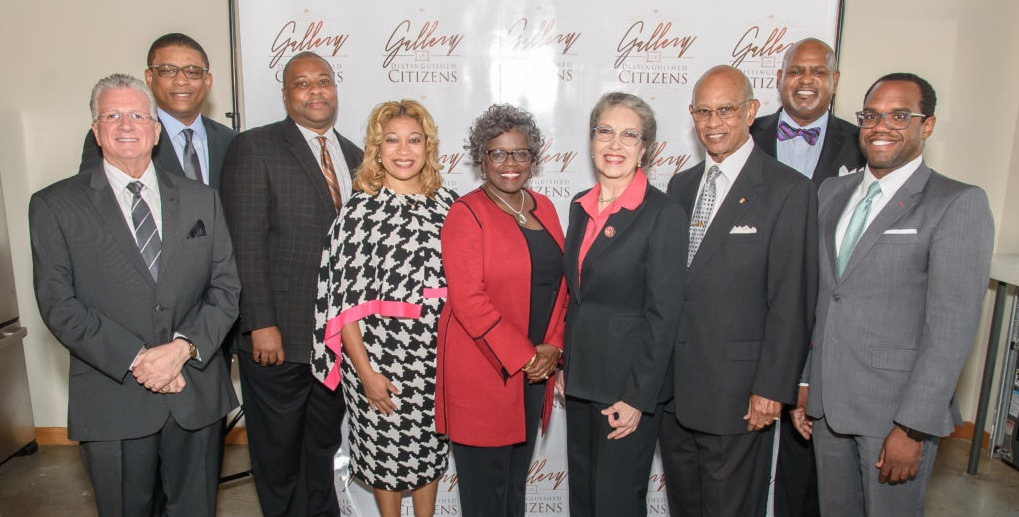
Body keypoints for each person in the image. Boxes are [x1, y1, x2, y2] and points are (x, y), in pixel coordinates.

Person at [30, 73, 239, 517]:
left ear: (156, 129)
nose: (126, 125)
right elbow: (59, 305)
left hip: (195, 392)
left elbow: (225, 288)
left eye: (138, 116)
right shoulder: (54, 205)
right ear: (96, 129)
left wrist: (181, 350)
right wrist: (140, 359)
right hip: (114, 397)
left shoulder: (202, 199)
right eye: (112, 115)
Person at [792, 73, 994, 517]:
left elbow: (951, 330)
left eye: (899, 116)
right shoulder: (831, 192)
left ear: (928, 125)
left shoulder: (956, 202)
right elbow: (822, 300)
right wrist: (807, 382)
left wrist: (913, 427)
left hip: (894, 414)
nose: (880, 126)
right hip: (827, 405)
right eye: (871, 115)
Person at [660, 65, 818, 517]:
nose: (713, 123)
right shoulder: (681, 185)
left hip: (740, 395)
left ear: (751, 112)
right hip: (673, 393)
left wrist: (771, 387)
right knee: (685, 507)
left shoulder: (789, 190)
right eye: (703, 112)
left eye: (726, 110)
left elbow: (792, 301)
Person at [220, 51, 362, 517]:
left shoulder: (357, 157)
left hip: (337, 340)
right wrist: (260, 322)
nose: (315, 90)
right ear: (285, 95)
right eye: (302, 83)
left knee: (320, 448)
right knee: (278, 454)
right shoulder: (254, 147)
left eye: (324, 81)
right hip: (278, 337)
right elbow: (244, 242)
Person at [311, 99, 455, 517]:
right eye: (392, 140)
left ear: (428, 147)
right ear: (377, 149)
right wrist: (366, 374)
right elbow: (343, 304)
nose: (404, 150)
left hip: (436, 359)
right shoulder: (359, 212)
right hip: (376, 359)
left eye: (414, 140)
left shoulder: (449, 205)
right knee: (383, 455)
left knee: (429, 452)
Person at [749, 37, 865, 517]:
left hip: (825, 320)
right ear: (779, 79)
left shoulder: (864, 143)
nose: (806, 80)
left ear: (834, 81)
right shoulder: (744, 132)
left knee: (809, 453)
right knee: (740, 447)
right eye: (797, 70)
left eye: (818, 72)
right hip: (750, 316)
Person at [435, 104, 568, 517]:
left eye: (520, 153)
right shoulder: (466, 214)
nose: (510, 163)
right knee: (485, 497)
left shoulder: (544, 207)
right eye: (498, 153)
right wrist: (527, 356)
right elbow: (469, 302)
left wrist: (553, 347)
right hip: (484, 374)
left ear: (533, 158)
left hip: (535, 373)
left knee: (513, 491)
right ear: (482, 159)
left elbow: (564, 287)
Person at [562, 92, 687, 517]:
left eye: (629, 135)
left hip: (626, 392)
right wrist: (565, 364)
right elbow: (578, 297)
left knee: (615, 504)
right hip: (581, 382)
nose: (615, 145)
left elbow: (664, 314)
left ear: (644, 149)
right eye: (605, 132)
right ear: (591, 140)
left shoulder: (663, 214)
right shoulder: (579, 205)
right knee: (583, 501)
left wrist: (637, 397)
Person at [79, 33, 236, 189]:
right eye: (168, 71)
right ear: (149, 78)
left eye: (192, 71)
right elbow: (93, 197)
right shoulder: (120, 135)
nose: (180, 81)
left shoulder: (231, 141)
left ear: (207, 81)